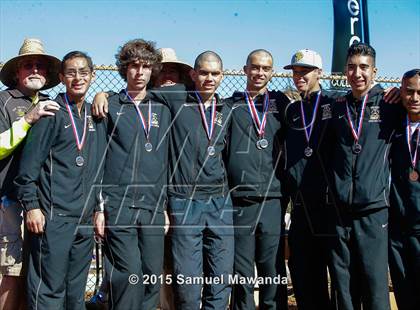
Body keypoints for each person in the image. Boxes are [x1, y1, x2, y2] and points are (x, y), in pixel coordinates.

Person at [93, 50, 234, 310]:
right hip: (176, 202)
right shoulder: (172, 96)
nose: (210, 77)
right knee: (172, 279)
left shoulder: (226, 107)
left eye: (215, 73)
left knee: (218, 276)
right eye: (204, 72)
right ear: (194, 74)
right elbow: (129, 94)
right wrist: (104, 94)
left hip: (214, 201)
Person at [14, 50, 104, 309]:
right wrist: (31, 206)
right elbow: (28, 169)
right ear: (62, 77)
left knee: (75, 292)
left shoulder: (95, 116)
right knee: (48, 291)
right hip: (53, 218)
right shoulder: (50, 113)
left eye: (83, 72)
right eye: (72, 73)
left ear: (92, 76)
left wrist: (98, 209)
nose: (78, 78)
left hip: (84, 220)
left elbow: (98, 169)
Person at [93, 39, 169, 310]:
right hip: (118, 204)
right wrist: (99, 208)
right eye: (134, 66)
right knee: (127, 276)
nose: (139, 72)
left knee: (150, 275)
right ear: (124, 69)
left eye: (146, 66)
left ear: (153, 70)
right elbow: (98, 158)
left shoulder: (163, 106)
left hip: (152, 206)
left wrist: (165, 208)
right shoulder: (109, 105)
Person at [327, 42, 402, 310]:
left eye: (363, 67)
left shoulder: (391, 104)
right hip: (339, 210)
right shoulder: (336, 106)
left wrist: (400, 92)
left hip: (373, 210)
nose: (357, 73)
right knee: (343, 283)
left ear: (375, 71)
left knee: (374, 283)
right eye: (351, 67)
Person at [225, 49, 289, 310]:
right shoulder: (230, 105)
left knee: (272, 269)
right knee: (241, 272)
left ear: (272, 72)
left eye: (266, 68)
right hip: (240, 202)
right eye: (255, 67)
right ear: (244, 69)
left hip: (273, 200)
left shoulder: (282, 103)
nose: (260, 73)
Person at [0, 38, 60, 310]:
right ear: (16, 72)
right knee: (12, 270)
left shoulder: (53, 103)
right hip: (9, 198)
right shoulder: (4, 101)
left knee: (36, 266)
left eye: (40, 65)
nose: (35, 70)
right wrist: (27, 120)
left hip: (44, 200)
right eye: (28, 65)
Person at [282, 49, 336, 309]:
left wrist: (385, 92)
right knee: (303, 272)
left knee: (337, 274)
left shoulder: (335, 103)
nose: (299, 76)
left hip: (329, 206)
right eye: (295, 72)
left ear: (319, 73)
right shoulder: (292, 110)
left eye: (305, 71)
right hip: (301, 206)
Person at [388, 68, 420, 310]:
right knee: (403, 289)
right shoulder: (392, 123)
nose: (415, 98)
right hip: (397, 226)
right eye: (409, 92)